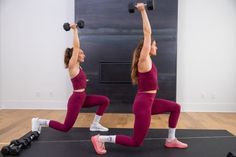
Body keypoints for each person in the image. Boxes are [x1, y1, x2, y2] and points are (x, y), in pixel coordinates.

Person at [91, 3, 188, 155]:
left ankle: (171, 140)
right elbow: (147, 32)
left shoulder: (148, 61)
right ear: (147, 47)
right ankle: (100, 139)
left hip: (149, 102)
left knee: (175, 107)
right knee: (136, 142)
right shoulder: (144, 60)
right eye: (154, 45)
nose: (156, 47)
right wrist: (142, 10)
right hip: (143, 105)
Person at [32, 23, 109, 133]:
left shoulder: (79, 67)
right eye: (81, 53)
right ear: (75, 55)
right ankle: (39, 122)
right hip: (76, 100)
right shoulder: (72, 65)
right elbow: (76, 47)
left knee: (105, 100)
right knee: (65, 128)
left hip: (82, 97)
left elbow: (79, 80)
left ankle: (95, 124)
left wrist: (83, 81)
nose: (84, 55)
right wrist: (74, 29)